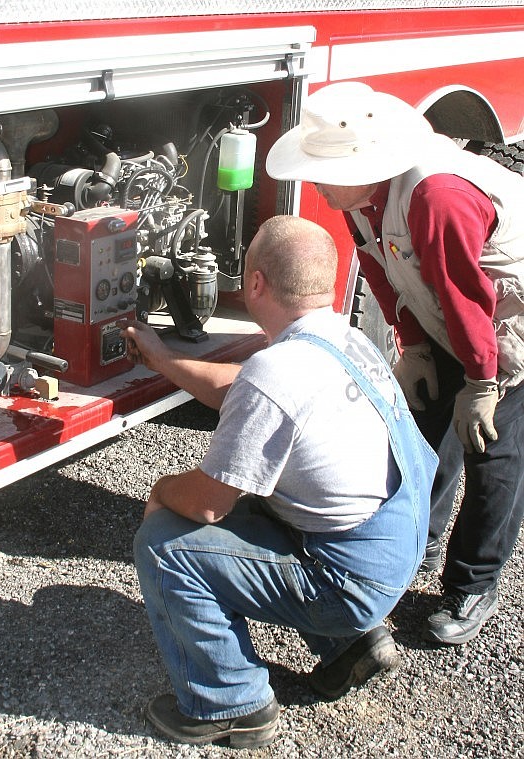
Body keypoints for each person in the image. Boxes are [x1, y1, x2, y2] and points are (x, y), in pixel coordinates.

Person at [120, 215, 437, 749]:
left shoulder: (277, 374)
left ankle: (228, 705)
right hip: (391, 546)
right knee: (270, 501)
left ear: (257, 284)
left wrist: (160, 491)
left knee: (165, 545)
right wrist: (162, 358)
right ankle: (353, 647)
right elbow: (241, 390)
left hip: (352, 580)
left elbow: (208, 506)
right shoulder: (344, 340)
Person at [266, 82, 524, 648]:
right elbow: (382, 272)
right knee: (423, 434)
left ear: (367, 162)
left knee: (493, 450)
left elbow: (465, 297)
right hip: (462, 318)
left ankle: (474, 582)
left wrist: (482, 382)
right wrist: (417, 347)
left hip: (509, 321)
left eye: (321, 168)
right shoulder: (361, 197)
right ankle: (418, 543)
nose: (313, 180)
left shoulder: (438, 198)